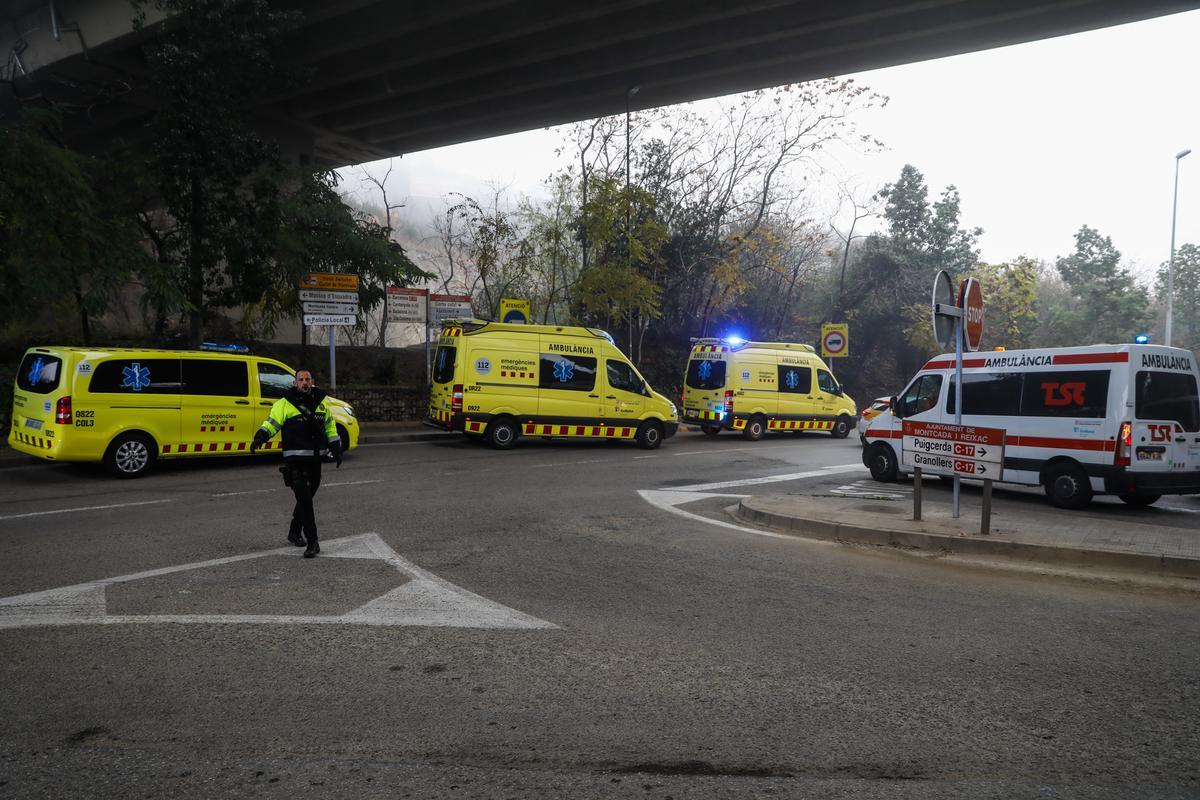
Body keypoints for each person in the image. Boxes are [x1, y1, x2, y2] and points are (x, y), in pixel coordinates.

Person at [250, 368, 342, 558]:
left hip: (315, 459)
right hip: (295, 460)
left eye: (307, 379)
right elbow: (271, 424)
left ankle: (294, 532)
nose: (304, 382)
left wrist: (336, 448)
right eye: (300, 380)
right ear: (295, 383)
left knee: (306, 498)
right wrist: (260, 437)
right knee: (305, 501)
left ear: (312, 381)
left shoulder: (322, 402)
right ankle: (313, 542)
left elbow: (329, 427)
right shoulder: (284, 403)